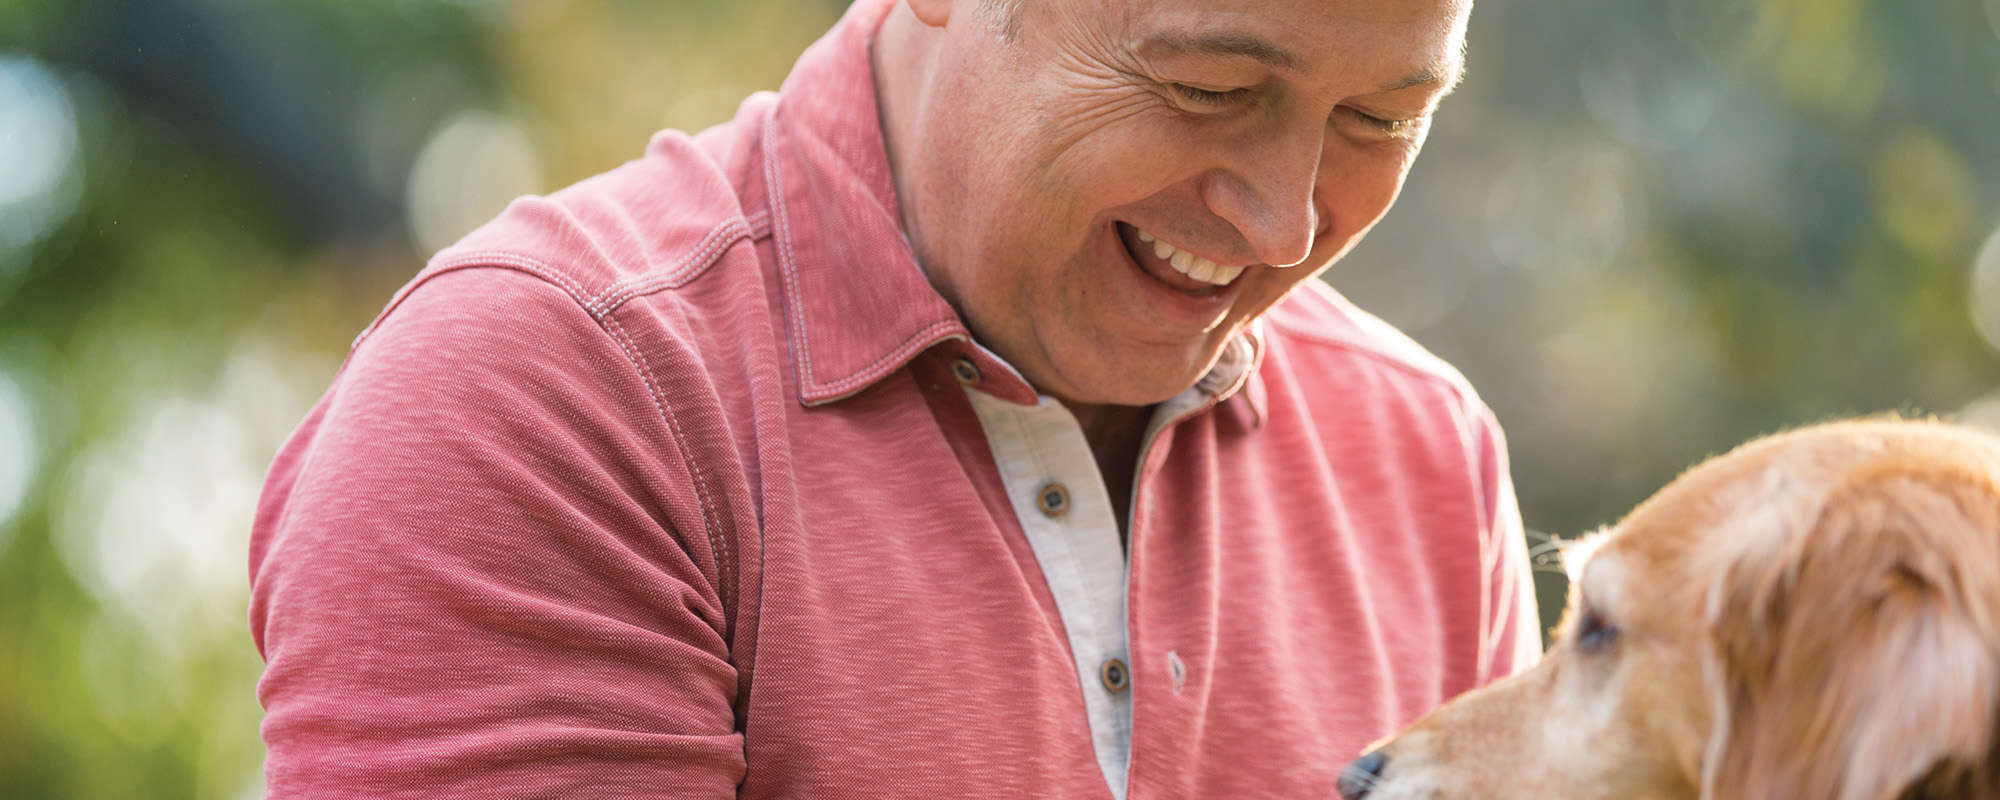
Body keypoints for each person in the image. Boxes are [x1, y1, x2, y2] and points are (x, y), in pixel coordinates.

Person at [248, 0, 1540, 796]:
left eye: (1377, 120)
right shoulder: (548, 403)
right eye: (1209, 90)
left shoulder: (1428, 461)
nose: (1281, 218)